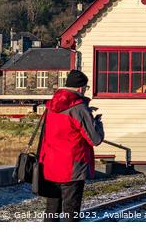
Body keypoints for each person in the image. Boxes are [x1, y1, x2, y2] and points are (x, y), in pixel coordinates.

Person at [39, 69, 104, 222]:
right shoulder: (78, 107)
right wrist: (97, 123)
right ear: (80, 88)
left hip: (50, 165)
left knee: (51, 210)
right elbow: (95, 139)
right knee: (71, 211)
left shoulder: (51, 105)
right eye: (85, 88)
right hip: (72, 166)